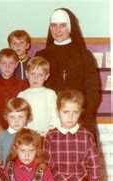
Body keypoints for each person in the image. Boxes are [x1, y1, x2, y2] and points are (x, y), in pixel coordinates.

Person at [35, 8, 101, 137]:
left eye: (62, 26)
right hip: (50, 122)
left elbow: (93, 92)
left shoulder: (84, 56)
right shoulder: (41, 55)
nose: (58, 30)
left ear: (70, 28)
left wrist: (79, 116)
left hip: (79, 121)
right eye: (53, 26)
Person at [43, 90, 100, 181]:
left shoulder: (86, 136)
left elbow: (94, 166)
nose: (70, 117)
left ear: (81, 113)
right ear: (58, 112)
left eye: (75, 112)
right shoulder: (51, 136)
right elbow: (46, 166)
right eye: (66, 112)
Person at [0, 48, 29, 129]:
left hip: (18, 127)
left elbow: (25, 110)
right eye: (4, 63)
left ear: (16, 65)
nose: (7, 67)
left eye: (11, 63)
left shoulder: (23, 85)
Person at [18, 56, 59, 136]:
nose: (35, 78)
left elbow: (55, 117)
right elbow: (19, 117)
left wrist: (51, 133)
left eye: (40, 75)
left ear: (46, 76)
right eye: (32, 73)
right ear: (27, 74)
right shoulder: (22, 95)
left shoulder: (50, 94)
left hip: (47, 135)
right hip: (28, 137)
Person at [0, 97, 31, 168]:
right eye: (12, 117)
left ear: (27, 117)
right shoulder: (1, 137)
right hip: (7, 174)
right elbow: (0, 159)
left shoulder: (32, 135)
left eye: (20, 117)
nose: (16, 121)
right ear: (6, 117)